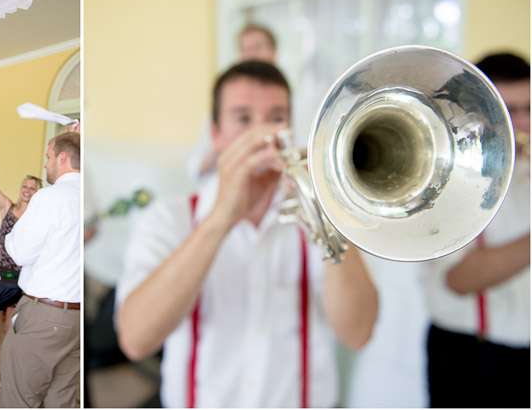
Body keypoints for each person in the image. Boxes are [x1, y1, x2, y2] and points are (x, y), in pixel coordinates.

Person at [115, 61, 378, 407]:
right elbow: (136, 340)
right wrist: (221, 217)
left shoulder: (316, 216)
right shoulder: (171, 217)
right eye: (242, 119)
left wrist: (327, 209)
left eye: (276, 118)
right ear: (215, 134)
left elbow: (357, 333)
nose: (264, 135)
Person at [422, 53, 530, 408]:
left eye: (529, 109)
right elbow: (459, 280)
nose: (522, 124)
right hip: (471, 354)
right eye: (508, 111)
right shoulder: (448, 179)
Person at [0, 131, 81, 408]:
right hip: (79, 320)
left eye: (48, 157)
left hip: (44, 316)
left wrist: (11, 234)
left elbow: (19, 252)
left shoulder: (50, 198)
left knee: (19, 399)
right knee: (62, 400)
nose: (45, 164)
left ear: (62, 158)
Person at [0, 135, 43, 394]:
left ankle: (10, 373)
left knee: (12, 327)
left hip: (20, 274)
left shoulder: (39, 216)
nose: (27, 190)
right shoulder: (7, 207)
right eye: (25, 186)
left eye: (33, 187)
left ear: (39, 193)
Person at [187, 24, 278, 182]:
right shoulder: (225, 105)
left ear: (274, 51)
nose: (250, 55)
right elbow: (195, 170)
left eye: (257, 47)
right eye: (244, 48)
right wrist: (220, 144)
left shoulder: (296, 104)